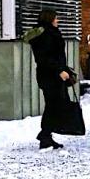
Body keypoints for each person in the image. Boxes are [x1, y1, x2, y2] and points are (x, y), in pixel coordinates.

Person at [24, 9, 76, 150]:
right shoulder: (46, 35)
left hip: (50, 75)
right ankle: (45, 134)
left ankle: (46, 135)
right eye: (56, 18)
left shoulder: (48, 33)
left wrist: (65, 70)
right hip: (51, 76)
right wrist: (60, 71)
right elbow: (44, 58)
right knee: (54, 105)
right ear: (50, 19)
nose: (57, 20)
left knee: (53, 105)